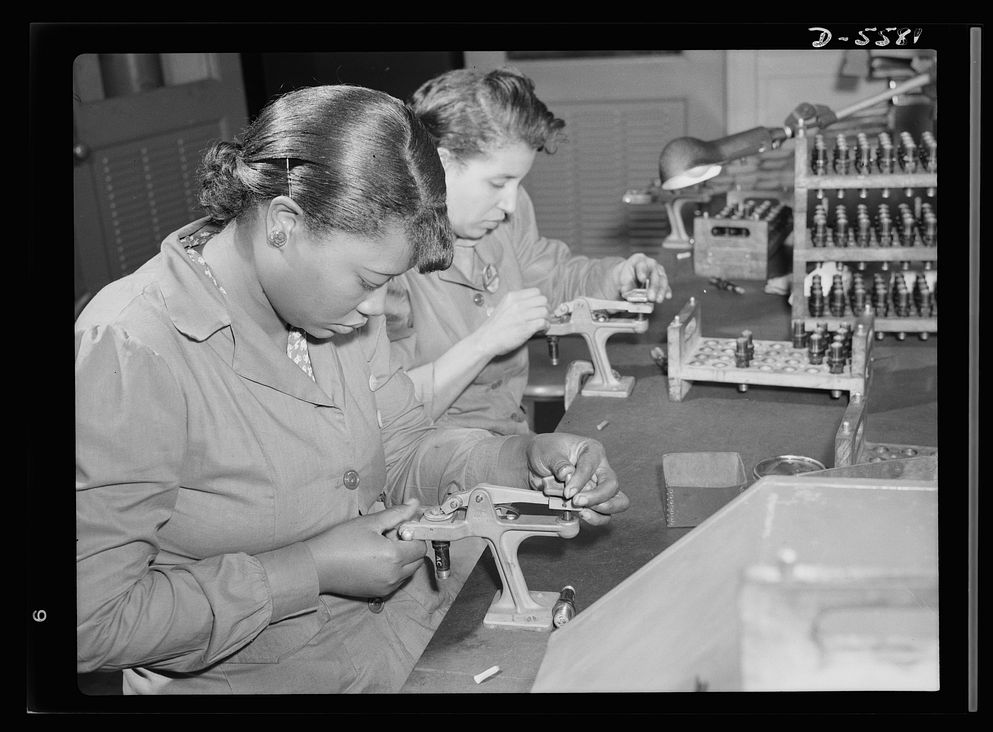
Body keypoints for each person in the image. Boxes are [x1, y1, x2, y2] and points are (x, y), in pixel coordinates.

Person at [75, 84, 628, 695]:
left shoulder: (330, 311)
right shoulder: (131, 350)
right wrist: (308, 569)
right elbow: (87, 622)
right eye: (367, 280)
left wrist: (516, 461)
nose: (373, 311)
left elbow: (402, 445)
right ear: (284, 224)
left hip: (404, 642)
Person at [385, 67, 672, 435]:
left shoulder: (508, 209)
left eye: (518, 183)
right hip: (426, 455)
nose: (509, 203)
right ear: (440, 165)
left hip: (508, 430)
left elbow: (548, 277)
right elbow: (388, 416)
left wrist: (617, 276)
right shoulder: (385, 258)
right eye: (499, 182)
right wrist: (485, 342)